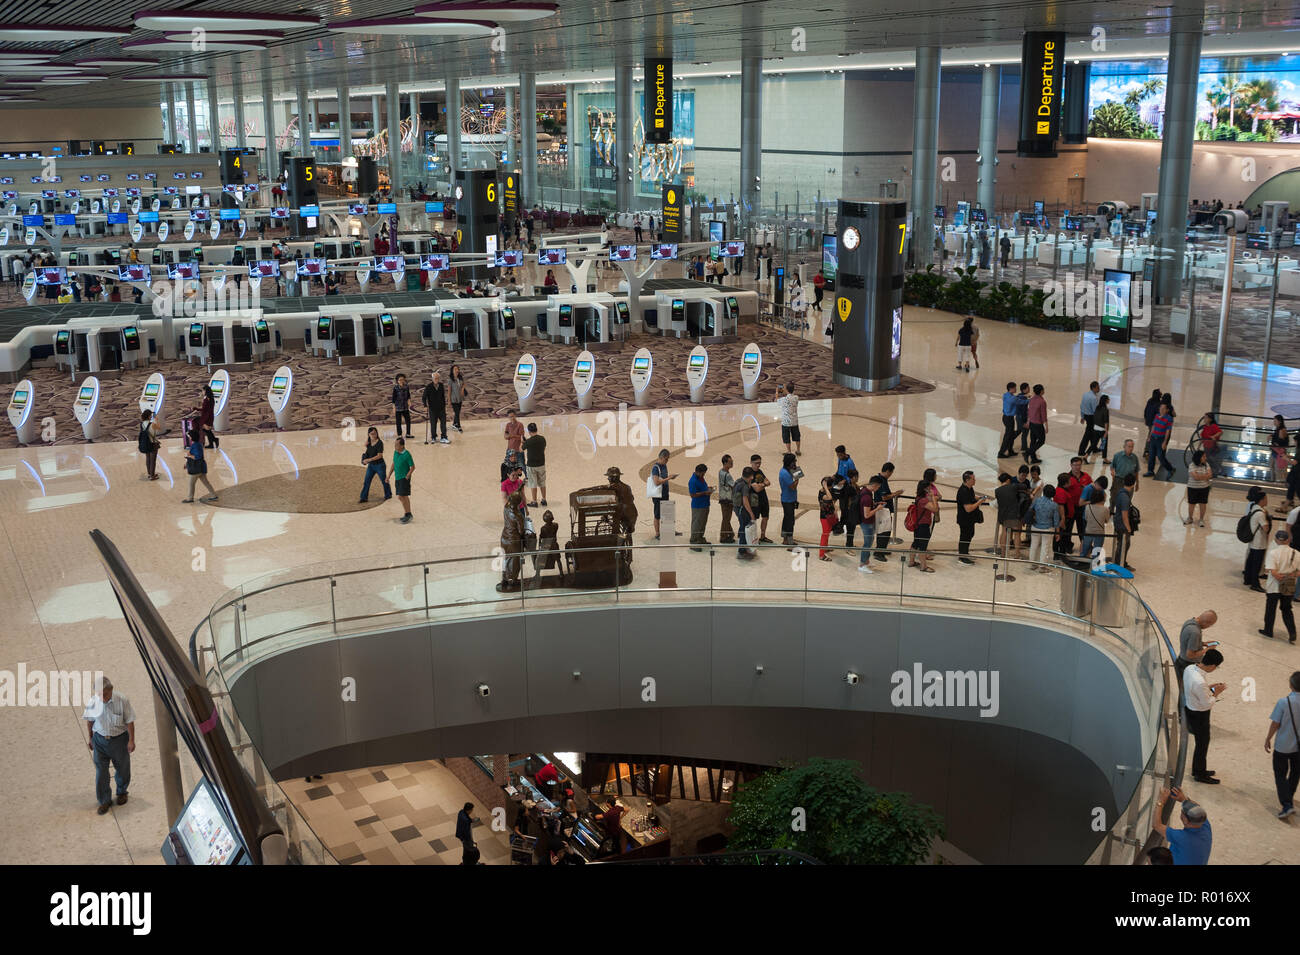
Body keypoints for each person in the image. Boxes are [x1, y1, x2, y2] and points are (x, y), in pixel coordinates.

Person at [83, 676, 135, 815]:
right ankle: (104, 800)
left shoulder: (122, 700)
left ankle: (122, 792)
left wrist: (131, 740)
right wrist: (90, 738)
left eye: (105, 694)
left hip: (119, 740)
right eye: (99, 694)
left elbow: (129, 721)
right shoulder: (93, 702)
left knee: (123, 768)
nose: (103, 698)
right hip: (99, 741)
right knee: (101, 772)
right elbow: (90, 721)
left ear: (111, 689)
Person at [1184, 647, 1227, 784]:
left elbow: (1196, 690)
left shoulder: (1190, 668)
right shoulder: (1200, 682)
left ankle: (1198, 769)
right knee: (1202, 744)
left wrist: (1209, 688)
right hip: (1199, 715)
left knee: (1200, 743)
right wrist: (1216, 692)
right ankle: (1200, 774)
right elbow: (1207, 703)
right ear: (1213, 666)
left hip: (1190, 707)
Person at [1265, 672, 1300, 818]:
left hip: (1283, 745)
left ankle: (1287, 805)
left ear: (1291, 685)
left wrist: (1268, 738)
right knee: (1295, 773)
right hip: (1298, 747)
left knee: (1280, 774)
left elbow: (1276, 723)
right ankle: (1288, 798)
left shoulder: (1284, 702)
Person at [1153, 788, 1212, 864]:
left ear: (1186, 821)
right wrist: (1183, 799)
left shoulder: (1182, 837)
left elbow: (1156, 825)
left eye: (1182, 812)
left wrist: (1160, 802)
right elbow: (1198, 806)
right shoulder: (1205, 826)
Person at [1263, 529, 1300, 642]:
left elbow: (1272, 571)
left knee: (1271, 609)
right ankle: (1292, 632)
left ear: (1276, 540)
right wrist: (1289, 576)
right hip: (1288, 586)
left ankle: (1268, 631)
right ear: (1289, 540)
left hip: (1274, 586)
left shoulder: (1273, 553)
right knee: (1287, 609)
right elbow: (1298, 572)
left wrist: (1280, 577)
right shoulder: (1297, 553)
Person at [1174, 610, 1218, 687]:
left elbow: (1188, 641)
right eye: (1210, 625)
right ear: (1206, 622)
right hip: (1187, 665)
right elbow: (1190, 655)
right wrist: (1208, 649)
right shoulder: (1195, 632)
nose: (1208, 627)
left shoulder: (1190, 621)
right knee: (1187, 690)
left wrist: (1204, 643)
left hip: (1181, 661)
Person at [910, 468, 941, 572]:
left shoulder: (918, 498)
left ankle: (911, 561)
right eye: (929, 489)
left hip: (918, 524)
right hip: (923, 525)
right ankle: (923, 566)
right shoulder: (924, 501)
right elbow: (935, 509)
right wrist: (933, 497)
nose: (930, 490)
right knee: (923, 546)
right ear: (925, 489)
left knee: (915, 543)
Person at [955, 470, 987, 564]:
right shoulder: (963, 491)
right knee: (965, 537)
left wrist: (980, 497)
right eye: (973, 479)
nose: (975, 480)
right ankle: (962, 557)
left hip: (970, 519)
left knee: (970, 535)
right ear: (967, 480)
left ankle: (965, 553)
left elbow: (972, 496)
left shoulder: (969, 488)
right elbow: (968, 508)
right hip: (964, 519)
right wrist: (980, 502)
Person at [1027, 482, 1061, 571]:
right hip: (1048, 528)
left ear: (1044, 492)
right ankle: (1042, 566)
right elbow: (1056, 520)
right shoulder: (1054, 505)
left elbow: (1030, 509)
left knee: (1033, 545)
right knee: (1045, 547)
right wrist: (1057, 532)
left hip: (1035, 526)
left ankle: (1032, 564)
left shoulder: (1037, 500)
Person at [182, 424, 219, 504]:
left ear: (192, 437)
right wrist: (187, 462)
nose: (189, 437)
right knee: (206, 482)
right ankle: (213, 495)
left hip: (196, 468)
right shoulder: (198, 444)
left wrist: (189, 455)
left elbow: (197, 457)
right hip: (201, 467)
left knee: (191, 484)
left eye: (189, 436)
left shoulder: (195, 446)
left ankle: (190, 498)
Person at [872, 462, 902, 559]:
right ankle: (879, 552)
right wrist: (895, 494)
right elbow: (884, 497)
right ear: (888, 471)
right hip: (883, 509)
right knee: (884, 531)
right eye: (891, 473)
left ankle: (882, 549)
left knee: (885, 530)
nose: (890, 475)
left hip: (883, 509)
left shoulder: (881, 479)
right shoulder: (882, 480)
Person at [1244, 488, 1270, 593]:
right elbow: (1266, 528)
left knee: (1250, 561)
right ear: (1262, 500)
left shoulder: (1253, 507)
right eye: (1266, 498)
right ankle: (1255, 584)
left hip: (1253, 541)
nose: (1267, 500)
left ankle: (1247, 579)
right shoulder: (1260, 513)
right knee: (1256, 564)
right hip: (1259, 542)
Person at [994, 472, 1024, 562]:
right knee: (1017, 534)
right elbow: (1023, 487)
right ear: (1007, 480)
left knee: (1004, 532)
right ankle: (1017, 554)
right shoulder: (1013, 486)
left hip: (1003, 515)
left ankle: (1003, 554)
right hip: (1014, 514)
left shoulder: (997, 491)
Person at [856, 474, 884, 571]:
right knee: (867, 543)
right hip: (866, 523)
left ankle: (866, 561)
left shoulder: (865, 491)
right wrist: (878, 508)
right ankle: (862, 564)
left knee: (870, 541)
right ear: (875, 485)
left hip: (867, 522)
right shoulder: (867, 497)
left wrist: (875, 504)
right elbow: (866, 515)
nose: (878, 489)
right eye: (878, 487)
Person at [499, 490, 526, 589]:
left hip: (504, 538)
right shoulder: (518, 516)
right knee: (515, 561)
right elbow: (521, 531)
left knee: (505, 559)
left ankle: (504, 578)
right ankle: (513, 580)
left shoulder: (506, 508)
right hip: (513, 541)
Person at [358, 427, 392, 503]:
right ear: (369, 434)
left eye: (375, 433)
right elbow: (367, 451)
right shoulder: (369, 442)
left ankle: (388, 494)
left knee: (384, 481)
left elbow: (380, 455)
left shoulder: (380, 443)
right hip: (371, 466)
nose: (374, 435)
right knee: (367, 481)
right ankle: (363, 497)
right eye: (372, 434)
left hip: (380, 465)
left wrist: (369, 460)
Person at [605, 466, 639, 538]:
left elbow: (599, 488)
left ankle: (618, 544)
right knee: (627, 534)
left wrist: (584, 489)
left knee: (620, 534)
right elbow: (632, 498)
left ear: (613, 478)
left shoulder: (613, 486)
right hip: (633, 513)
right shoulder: (627, 486)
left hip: (624, 514)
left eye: (609, 477)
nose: (608, 478)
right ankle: (624, 542)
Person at [1145, 402, 1175, 479]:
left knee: (1160, 456)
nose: (1161, 409)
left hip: (1160, 440)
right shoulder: (1157, 415)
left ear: (1167, 410)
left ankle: (1170, 469)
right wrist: (1149, 436)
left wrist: (1165, 442)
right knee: (1151, 455)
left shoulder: (1169, 419)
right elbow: (1153, 426)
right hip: (1153, 438)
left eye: (1163, 408)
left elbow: (1168, 431)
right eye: (1160, 408)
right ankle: (1150, 471)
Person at [388, 436, 414, 523]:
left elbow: (412, 467)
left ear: (402, 446)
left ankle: (408, 514)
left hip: (404, 478)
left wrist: (408, 475)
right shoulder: (396, 452)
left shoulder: (407, 454)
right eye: (395, 444)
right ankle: (407, 513)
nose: (395, 446)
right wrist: (388, 476)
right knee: (400, 496)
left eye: (397, 445)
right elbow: (394, 464)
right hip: (397, 477)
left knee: (403, 496)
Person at [1113, 473, 1136, 570]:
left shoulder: (1120, 492)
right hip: (1122, 525)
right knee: (1124, 544)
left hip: (1117, 522)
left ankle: (1119, 561)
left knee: (1121, 544)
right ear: (1133, 484)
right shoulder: (1125, 498)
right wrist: (1128, 528)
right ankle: (1120, 564)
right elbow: (1124, 515)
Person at [734, 466, 758, 559]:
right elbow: (745, 500)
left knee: (742, 528)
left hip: (738, 509)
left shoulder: (738, 481)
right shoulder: (744, 486)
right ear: (751, 476)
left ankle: (743, 548)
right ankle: (742, 551)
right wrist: (751, 513)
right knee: (744, 530)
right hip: (743, 511)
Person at [1183, 450, 1212, 527]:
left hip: (1204, 488)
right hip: (1193, 488)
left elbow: (1210, 475)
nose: (1205, 458)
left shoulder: (1206, 465)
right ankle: (1190, 518)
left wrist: (1200, 476)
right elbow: (1195, 477)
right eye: (1204, 456)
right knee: (1191, 504)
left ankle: (1201, 519)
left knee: (1203, 504)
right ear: (1199, 457)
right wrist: (1204, 476)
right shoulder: (1192, 465)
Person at [1080, 485, 1109, 560]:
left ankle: (1082, 564)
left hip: (1088, 531)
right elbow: (1106, 521)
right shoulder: (1105, 509)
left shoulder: (1087, 507)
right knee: (1096, 552)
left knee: (1084, 550)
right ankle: (1094, 566)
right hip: (1099, 532)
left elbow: (1086, 518)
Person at [688, 463, 712, 551]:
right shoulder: (693, 481)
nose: (703, 475)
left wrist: (708, 488)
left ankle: (700, 538)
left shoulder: (700, 478)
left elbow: (702, 488)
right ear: (698, 472)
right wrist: (705, 493)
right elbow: (693, 494)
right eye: (703, 473)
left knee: (702, 523)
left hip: (705, 504)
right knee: (696, 524)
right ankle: (694, 542)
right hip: (698, 506)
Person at [778, 452, 801, 547]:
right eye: (794, 461)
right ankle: (789, 540)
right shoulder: (784, 473)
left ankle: (785, 538)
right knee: (790, 520)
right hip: (787, 500)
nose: (795, 462)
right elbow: (793, 487)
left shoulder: (788, 470)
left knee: (787, 518)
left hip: (790, 498)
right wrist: (797, 478)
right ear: (789, 462)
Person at [750, 454, 773, 543]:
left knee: (765, 517)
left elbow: (768, 482)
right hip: (754, 499)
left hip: (763, 498)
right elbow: (757, 489)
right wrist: (763, 484)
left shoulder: (760, 471)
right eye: (756, 463)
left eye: (759, 463)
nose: (758, 465)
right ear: (751, 463)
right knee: (754, 519)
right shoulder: (749, 473)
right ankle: (754, 537)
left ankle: (763, 536)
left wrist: (761, 485)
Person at [423, 371, 449, 444]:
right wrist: (425, 405)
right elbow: (424, 397)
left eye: (438, 378)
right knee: (433, 424)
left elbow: (442, 396)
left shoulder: (441, 385)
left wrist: (444, 405)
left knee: (443, 423)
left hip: (441, 408)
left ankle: (444, 437)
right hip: (432, 409)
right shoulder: (428, 387)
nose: (436, 379)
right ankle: (433, 437)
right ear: (432, 379)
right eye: (435, 378)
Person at [776, 382, 801, 455]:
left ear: (786, 390)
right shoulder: (796, 398)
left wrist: (777, 392)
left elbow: (777, 401)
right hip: (794, 421)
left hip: (786, 422)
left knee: (786, 437)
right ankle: (798, 450)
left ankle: (789, 451)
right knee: (797, 436)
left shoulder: (784, 400)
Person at [817, 475, 838, 561]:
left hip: (830, 515)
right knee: (825, 534)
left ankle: (825, 548)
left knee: (828, 532)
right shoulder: (822, 493)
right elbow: (829, 498)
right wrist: (826, 486)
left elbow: (832, 501)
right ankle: (821, 555)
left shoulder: (827, 491)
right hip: (825, 517)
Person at [1077, 381, 1101, 457]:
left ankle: (1094, 448)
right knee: (1088, 435)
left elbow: (1082, 406)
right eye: (1098, 387)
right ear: (1093, 388)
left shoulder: (1085, 394)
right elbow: (1095, 411)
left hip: (1087, 416)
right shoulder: (1093, 398)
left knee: (1091, 434)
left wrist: (1082, 416)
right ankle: (1081, 451)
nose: (1099, 389)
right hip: (1092, 418)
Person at [1025, 384, 1047, 464]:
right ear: (1041, 391)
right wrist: (1046, 426)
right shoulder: (1042, 401)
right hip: (1038, 424)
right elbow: (1043, 415)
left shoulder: (1031, 399)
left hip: (1032, 423)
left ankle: (1033, 458)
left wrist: (1028, 421)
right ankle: (1028, 452)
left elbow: (1029, 411)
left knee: (1033, 441)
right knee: (1041, 440)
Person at [839, 469, 861, 549]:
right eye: (856, 476)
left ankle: (850, 544)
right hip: (849, 512)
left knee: (852, 529)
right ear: (853, 477)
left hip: (854, 511)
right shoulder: (848, 487)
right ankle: (848, 546)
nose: (858, 478)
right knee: (850, 530)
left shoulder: (855, 486)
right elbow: (847, 500)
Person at [717, 455, 736, 544]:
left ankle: (730, 533)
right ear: (725, 463)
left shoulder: (720, 472)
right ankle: (723, 537)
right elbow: (734, 486)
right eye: (730, 462)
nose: (732, 463)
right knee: (726, 518)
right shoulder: (727, 475)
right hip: (728, 499)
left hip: (722, 497)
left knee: (726, 517)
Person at [998, 382, 1020, 458]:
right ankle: (1001, 452)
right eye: (1015, 387)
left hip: (1006, 418)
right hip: (1009, 419)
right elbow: (1020, 401)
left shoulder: (1007, 395)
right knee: (1008, 436)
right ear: (1011, 388)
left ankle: (1010, 450)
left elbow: (1016, 398)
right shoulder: (1012, 398)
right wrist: (1029, 400)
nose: (1016, 389)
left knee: (1010, 435)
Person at [1198, 412, 1223, 476]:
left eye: (1206, 418)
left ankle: (1217, 469)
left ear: (1210, 419)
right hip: (1206, 446)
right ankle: (1212, 469)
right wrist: (1199, 445)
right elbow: (1203, 437)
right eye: (1204, 418)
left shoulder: (1213, 426)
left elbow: (1220, 432)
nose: (1204, 419)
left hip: (1211, 446)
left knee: (1209, 458)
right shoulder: (1205, 427)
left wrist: (1214, 436)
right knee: (1208, 457)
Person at [137, 409, 159, 481]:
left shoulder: (142, 424)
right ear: (149, 416)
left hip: (145, 443)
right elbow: (158, 430)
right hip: (153, 443)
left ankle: (149, 473)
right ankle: (152, 476)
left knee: (148, 458)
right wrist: (156, 421)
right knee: (153, 460)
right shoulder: (152, 424)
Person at [391, 373, 413, 439]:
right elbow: (393, 398)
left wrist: (409, 402)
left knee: (408, 421)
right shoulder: (395, 388)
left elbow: (408, 395)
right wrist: (394, 407)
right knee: (398, 422)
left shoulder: (406, 387)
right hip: (398, 407)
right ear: (397, 381)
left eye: (403, 379)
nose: (401, 381)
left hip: (405, 407)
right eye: (400, 380)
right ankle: (399, 435)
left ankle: (408, 434)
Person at [448, 364, 469, 433]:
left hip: (460, 398)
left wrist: (463, 389)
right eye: (455, 369)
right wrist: (449, 400)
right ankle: (459, 426)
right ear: (452, 371)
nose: (457, 370)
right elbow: (449, 391)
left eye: (457, 369)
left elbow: (464, 384)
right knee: (457, 413)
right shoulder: (450, 380)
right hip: (454, 398)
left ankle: (454, 424)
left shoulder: (460, 378)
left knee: (458, 412)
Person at [1272, 415, 1292, 483]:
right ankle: (1275, 483)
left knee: (1280, 471)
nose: (1274, 422)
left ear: (1280, 421)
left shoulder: (1282, 430)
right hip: (1275, 453)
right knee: (1274, 469)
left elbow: (1281, 443)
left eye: (1275, 421)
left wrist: (1275, 444)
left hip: (1279, 454)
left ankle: (1280, 485)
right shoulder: (1278, 429)